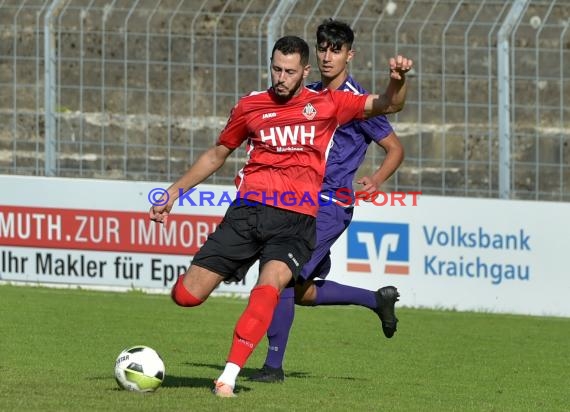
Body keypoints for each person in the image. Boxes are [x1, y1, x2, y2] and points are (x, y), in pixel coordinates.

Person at [149, 35, 412, 398]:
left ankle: (229, 376)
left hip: (297, 217)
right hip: (247, 213)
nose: (281, 77)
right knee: (187, 295)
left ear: (304, 71)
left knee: (271, 287)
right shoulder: (250, 106)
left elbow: (387, 104)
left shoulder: (329, 103)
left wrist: (398, 80)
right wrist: (173, 192)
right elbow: (217, 153)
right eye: (276, 69)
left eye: (289, 71)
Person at [249, 19, 406, 384]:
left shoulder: (358, 100)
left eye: (336, 49)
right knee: (302, 289)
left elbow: (395, 149)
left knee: (280, 278)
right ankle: (375, 300)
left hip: (330, 205)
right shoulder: (312, 94)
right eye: (322, 48)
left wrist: (376, 179)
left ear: (349, 54)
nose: (327, 55)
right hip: (298, 201)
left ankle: (272, 368)